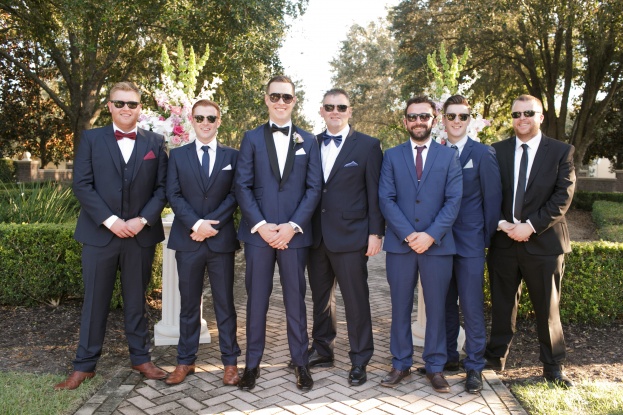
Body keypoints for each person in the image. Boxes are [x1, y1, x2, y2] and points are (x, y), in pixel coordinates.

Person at [55, 81, 168, 390]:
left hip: (139, 237)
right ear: (109, 106)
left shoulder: (156, 143)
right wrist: (111, 220)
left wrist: (142, 220)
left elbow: (162, 189)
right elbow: (82, 184)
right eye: (119, 103)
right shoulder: (91, 139)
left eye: (132, 104)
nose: (126, 109)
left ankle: (141, 358)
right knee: (94, 302)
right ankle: (84, 366)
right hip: (99, 235)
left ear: (140, 107)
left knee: (136, 301)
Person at [235, 75, 322, 391]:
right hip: (258, 235)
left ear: (294, 101)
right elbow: (242, 185)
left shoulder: (308, 141)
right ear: (266, 99)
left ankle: (301, 363)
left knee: (295, 301)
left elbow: (314, 188)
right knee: (256, 301)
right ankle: (251, 366)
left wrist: (292, 226)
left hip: (294, 235)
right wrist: (261, 226)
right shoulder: (251, 138)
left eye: (287, 97)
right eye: (276, 97)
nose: (281, 102)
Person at [485, 94, 576, 388]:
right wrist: (501, 222)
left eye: (528, 113)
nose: (521, 118)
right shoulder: (496, 151)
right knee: (501, 306)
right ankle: (494, 360)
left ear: (540, 116)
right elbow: (487, 193)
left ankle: (553, 367)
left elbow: (563, 197)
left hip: (544, 244)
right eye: (516, 114)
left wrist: (531, 226)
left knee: (547, 309)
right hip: (504, 242)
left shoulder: (561, 151)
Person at [417, 95, 502, 394]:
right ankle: (449, 357)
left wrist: (482, 239)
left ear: (469, 120)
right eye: (451, 116)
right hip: (439, 243)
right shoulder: (435, 153)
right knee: (443, 305)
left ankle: (474, 365)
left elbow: (492, 204)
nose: (456, 122)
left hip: (469, 244)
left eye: (462, 117)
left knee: (471, 305)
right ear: (442, 119)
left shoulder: (482, 154)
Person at [378, 95, 462, 393]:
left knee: (438, 308)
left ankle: (436, 366)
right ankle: (400, 363)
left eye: (423, 116)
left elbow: (453, 201)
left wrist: (430, 235)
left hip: (437, 246)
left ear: (434, 120)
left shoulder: (448, 156)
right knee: (400, 306)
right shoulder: (391, 155)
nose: (418, 122)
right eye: (412, 117)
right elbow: (385, 199)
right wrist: (407, 234)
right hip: (401, 246)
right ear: (405, 121)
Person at [304, 88, 384, 386]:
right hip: (316, 236)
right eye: (329, 107)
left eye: (341, 107)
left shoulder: (368, 146)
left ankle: (360, 357)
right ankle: (323, 349)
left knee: (356, 300)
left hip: (352, 236)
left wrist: (376, 233)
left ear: (350, 111)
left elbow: (375, 194)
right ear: (321, 111)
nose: (334, 111)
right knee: (321, 299)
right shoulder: (310, 143)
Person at [165, 100, 241, 386]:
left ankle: (230, 363)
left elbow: (235, 195)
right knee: (188, 305)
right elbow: (174, 194)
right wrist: (196, 225)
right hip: (188, 240)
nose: (206, 122)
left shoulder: (233, 155)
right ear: (192, 121)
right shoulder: (177, 155)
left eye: (211, 117)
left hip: (220, 242)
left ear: (219, 121)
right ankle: (185, 361)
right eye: (200, 118)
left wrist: (209, 226)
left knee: (225, 304)